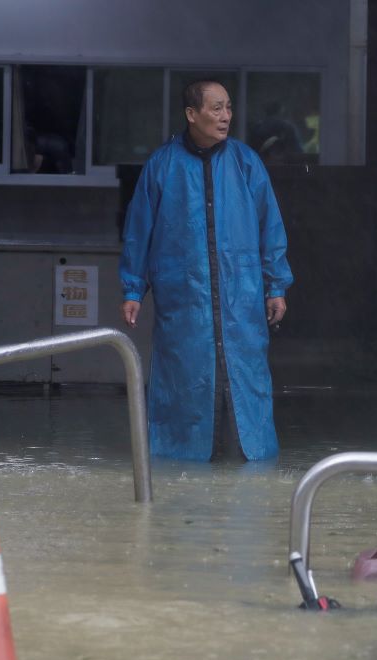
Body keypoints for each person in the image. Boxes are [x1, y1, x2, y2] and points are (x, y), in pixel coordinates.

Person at [119, 79, 293, 461]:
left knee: (244, 377)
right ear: (191, 114)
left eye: (228, 107)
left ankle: (248, 463)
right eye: (216, 108)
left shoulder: (246, 162)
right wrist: (133, 290)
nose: (226, 116)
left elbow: (271, 226)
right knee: (184, 377)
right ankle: (181, 465)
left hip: (241, 299)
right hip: (185, 301)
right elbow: (139, 231)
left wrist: (276, 284)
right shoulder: (162, 166)